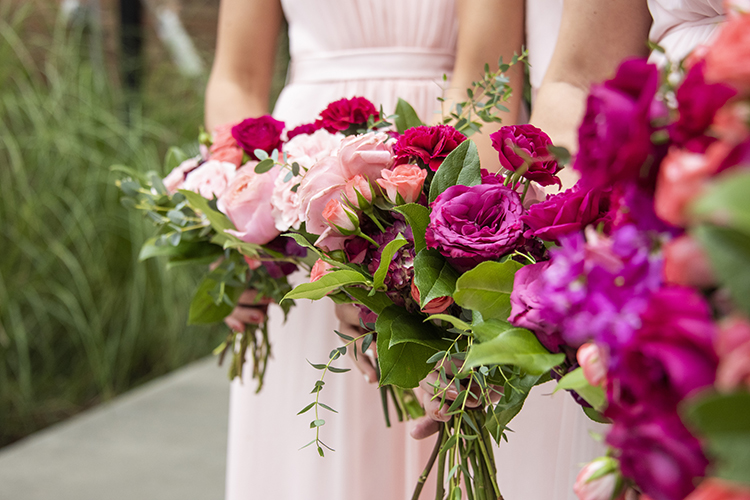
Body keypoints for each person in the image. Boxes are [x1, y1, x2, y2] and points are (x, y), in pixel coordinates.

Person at [205, 1, 524, 498]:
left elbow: (488, 75)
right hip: (300, 176)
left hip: (444, 146)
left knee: (443, 388)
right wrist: (242, 210)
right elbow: (237, 77)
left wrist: (427, 232)